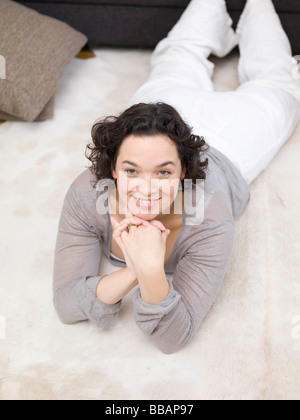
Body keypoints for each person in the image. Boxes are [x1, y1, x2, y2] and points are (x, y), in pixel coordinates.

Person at [53, 0, 300, 354]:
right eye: (131, 170)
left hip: (234, 136)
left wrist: (152, 272)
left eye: (164, 173)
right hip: (162, 113)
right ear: (111, 169)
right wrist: (137, 270)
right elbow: (65, 303)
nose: (147, 188)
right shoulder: (86, 195)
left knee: (279, 82)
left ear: (184, 171)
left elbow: (174, 337)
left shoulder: (210, 218)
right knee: (178, 54)